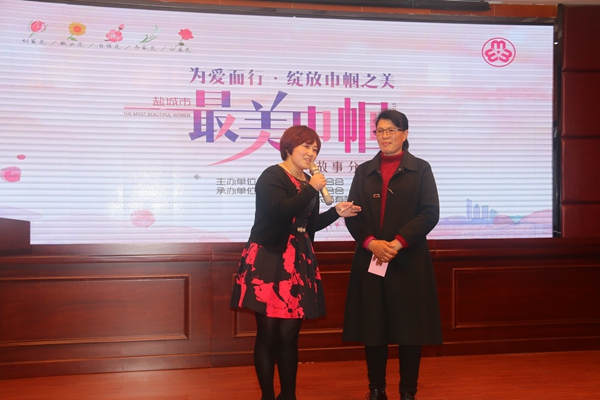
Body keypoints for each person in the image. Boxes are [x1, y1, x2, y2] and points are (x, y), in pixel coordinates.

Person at [230, 125, 361, 400]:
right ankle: (268, 396)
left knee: (290, 334)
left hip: (298, 259)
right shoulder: (272, 176)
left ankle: (288, 395)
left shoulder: (307, 182)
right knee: (268, 333)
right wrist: (312, 189)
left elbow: (307, 225)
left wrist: (336, 212)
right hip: (268, 258)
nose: (311, 153)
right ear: (289, 147)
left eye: (315, 148)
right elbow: (279, 212)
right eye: (306, 147)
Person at [342, 110, 442, 400]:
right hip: (372, 258)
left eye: (390, 130)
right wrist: (371, 242)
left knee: (411, 329)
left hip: (408, 260)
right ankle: (376, 390)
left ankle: (408, 391)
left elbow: (429, 213)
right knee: (373, 328)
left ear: (404, 134)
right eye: (379, 131)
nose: (384, 136)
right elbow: (353, 214)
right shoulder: (364, 171)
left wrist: (397, 243)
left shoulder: (420, 169)